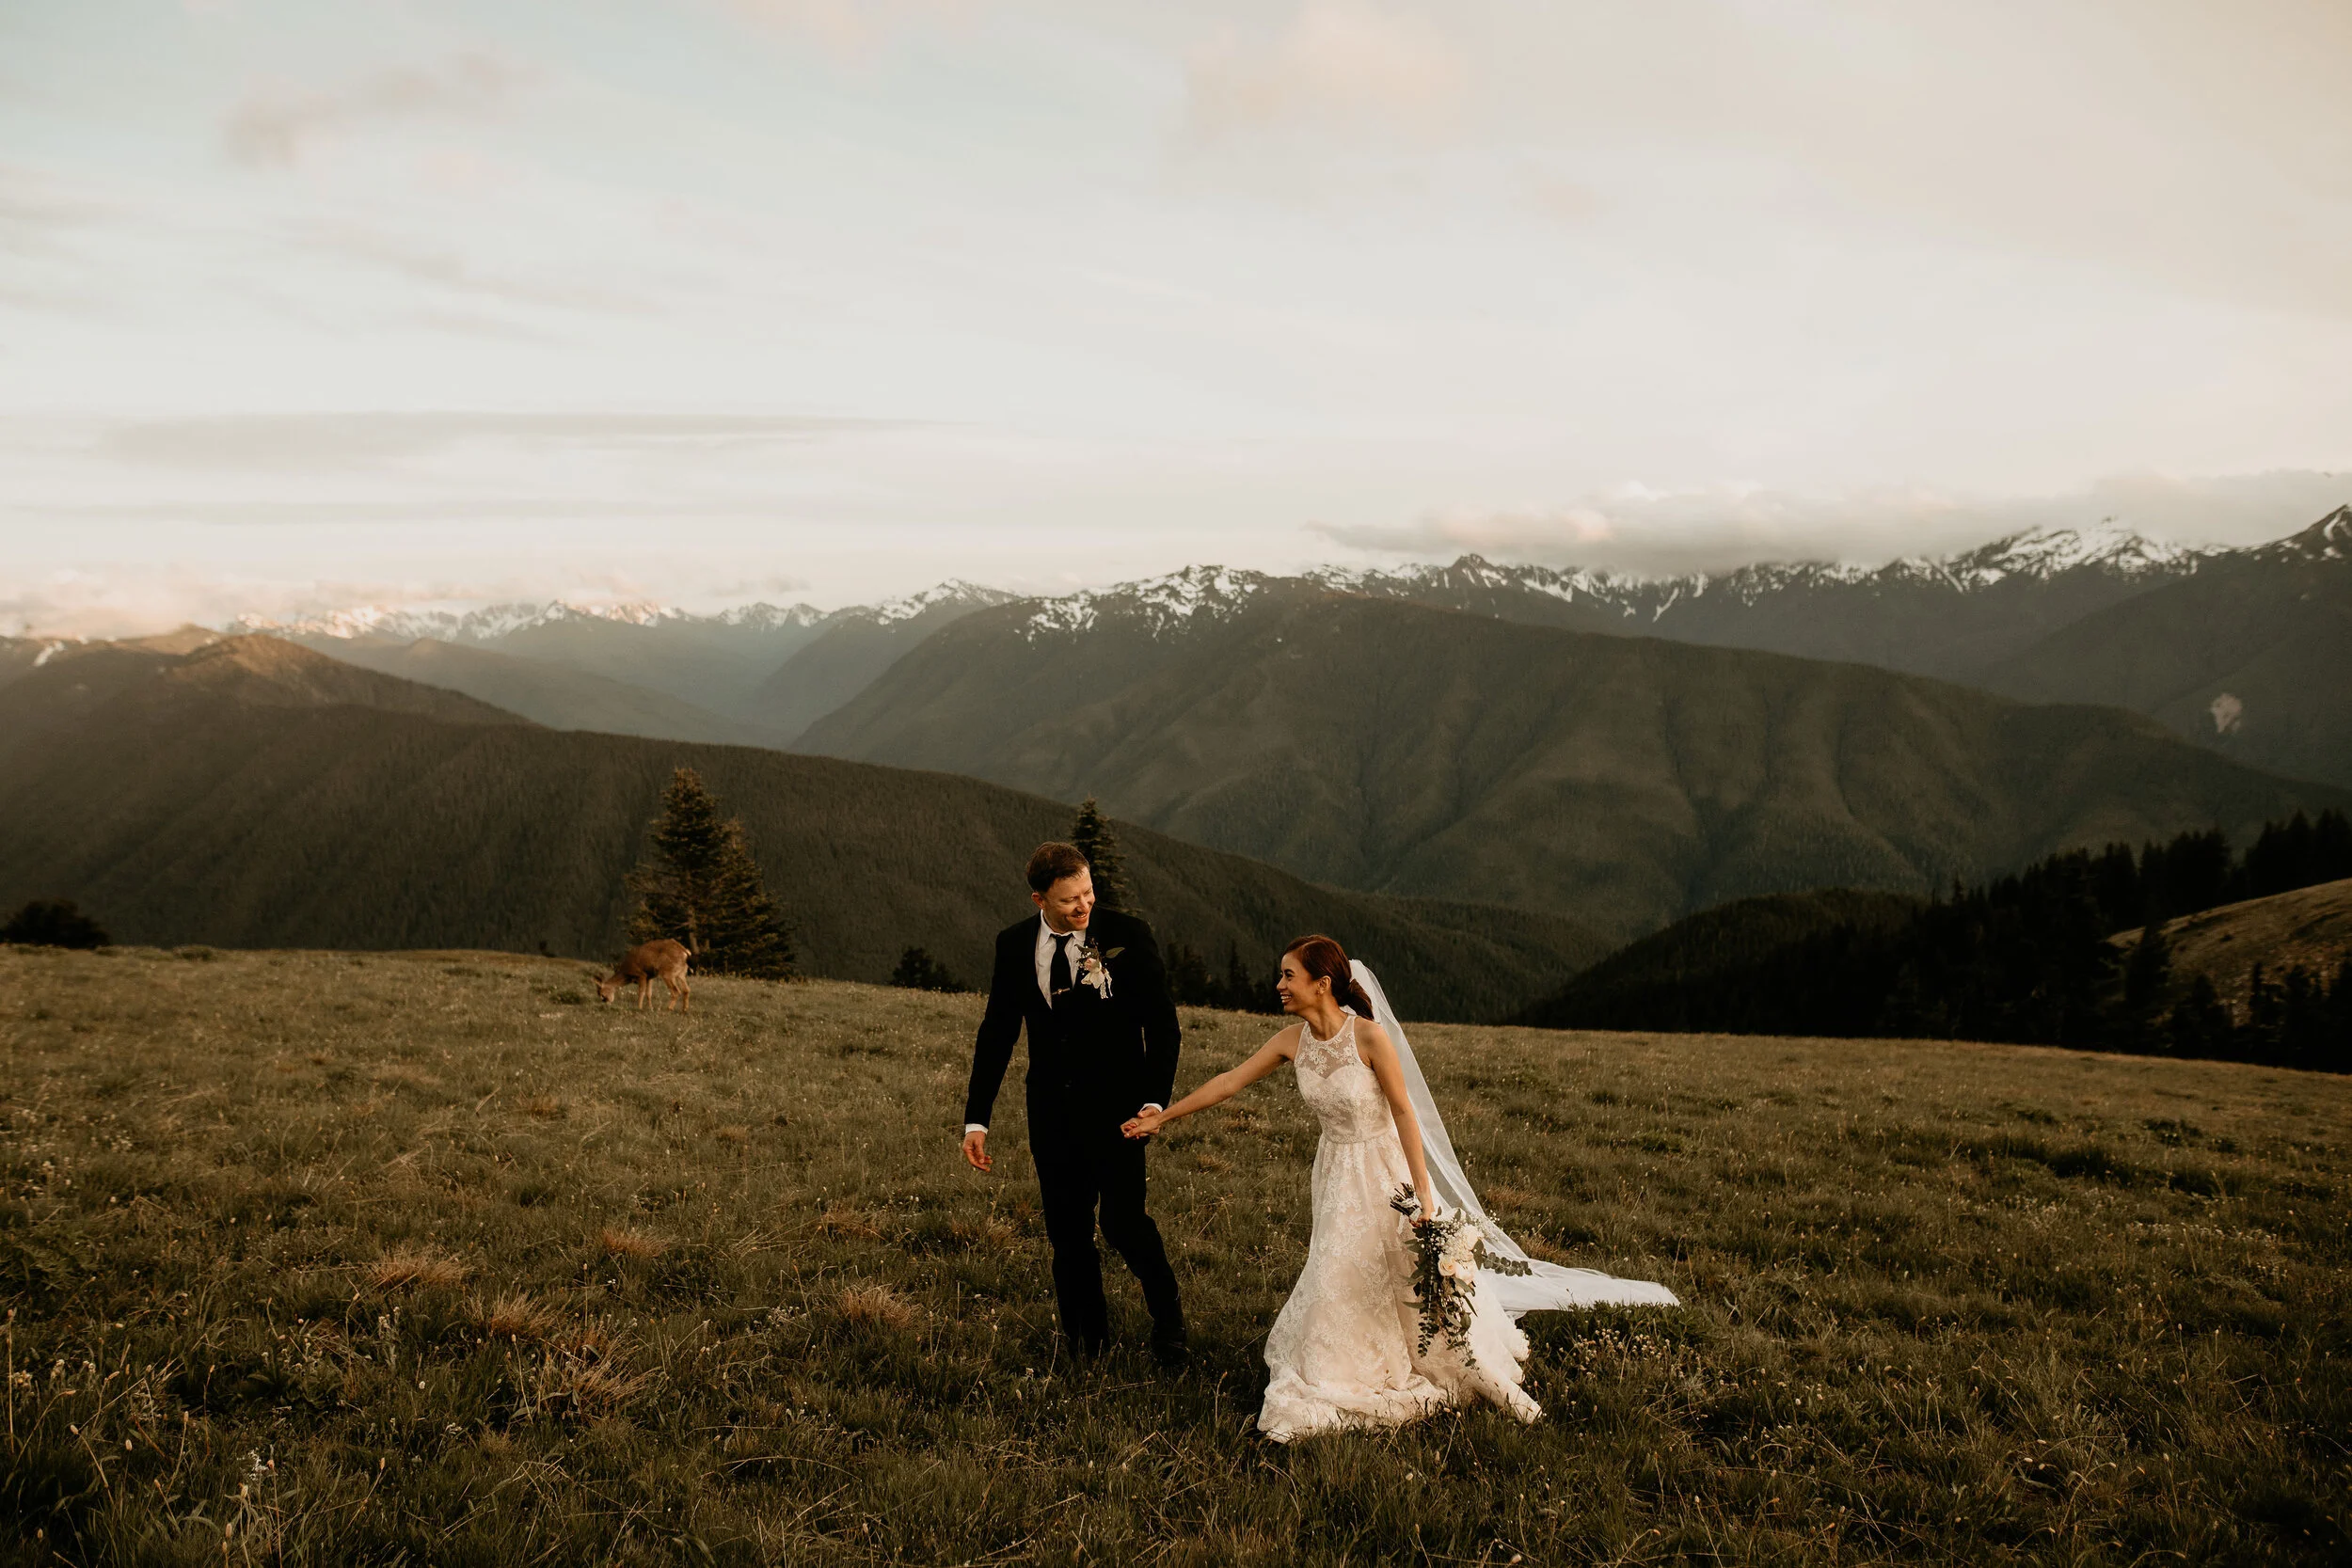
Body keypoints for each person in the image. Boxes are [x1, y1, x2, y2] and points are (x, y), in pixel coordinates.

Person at [1124, 934, 1677, 1441]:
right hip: (1335, 1173)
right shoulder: (1291, 1040)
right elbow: (1228, 1082)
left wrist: (1425, 1199)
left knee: (1394, 1268)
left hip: (1385, 1172)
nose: (1279, 985)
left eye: (1288, 975)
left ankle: (1429, 1360)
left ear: (1322, 983)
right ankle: (1337, 1360)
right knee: (1337, 1266)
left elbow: (1406, 1114)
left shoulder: (1368, 1037)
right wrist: (1163, 1117)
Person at [961, 842, 1186, 1364]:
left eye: (1087, 892)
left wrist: (1155, 1103)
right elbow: (996, 1033)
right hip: (1052, 1113)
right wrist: (978, 1119)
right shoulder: (1013, 944)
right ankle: (1088, 1342)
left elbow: (1164, 1026)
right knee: (1067, 1233)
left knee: (1124, 1224)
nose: (1084, 906)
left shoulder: (1127, 936)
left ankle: (1169, 1320)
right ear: (1039, 899)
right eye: (1069, 901)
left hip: (1121, 1111)